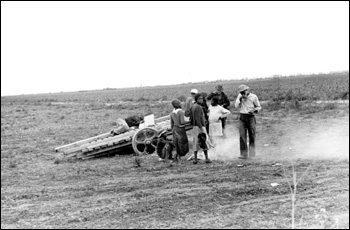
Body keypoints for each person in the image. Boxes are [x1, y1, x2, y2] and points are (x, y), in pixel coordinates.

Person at [234, 84, 261, 159]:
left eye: (243, 92)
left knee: (252, 135)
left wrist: (254, 110)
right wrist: (239, 99)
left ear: (247, 90)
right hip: (242, 117)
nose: (242, 94)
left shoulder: (253, 97)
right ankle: (243, 154)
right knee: (242, 135)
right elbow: (236, 106)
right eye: (241, 92)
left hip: (250, 117)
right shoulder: (239, 97)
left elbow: (258, 106)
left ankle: (252, 154)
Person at [191, 94, 213, 164]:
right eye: (199, 99)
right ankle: (206, 158)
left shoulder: (193, 106)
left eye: (201, 99)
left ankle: (195, 159)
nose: (201, 100)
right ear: (196, 99)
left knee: (196, 142)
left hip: (195, 127)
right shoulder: (198, 107)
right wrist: (201, 127)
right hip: (199, 127)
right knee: (204, 141)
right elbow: (198, 119)